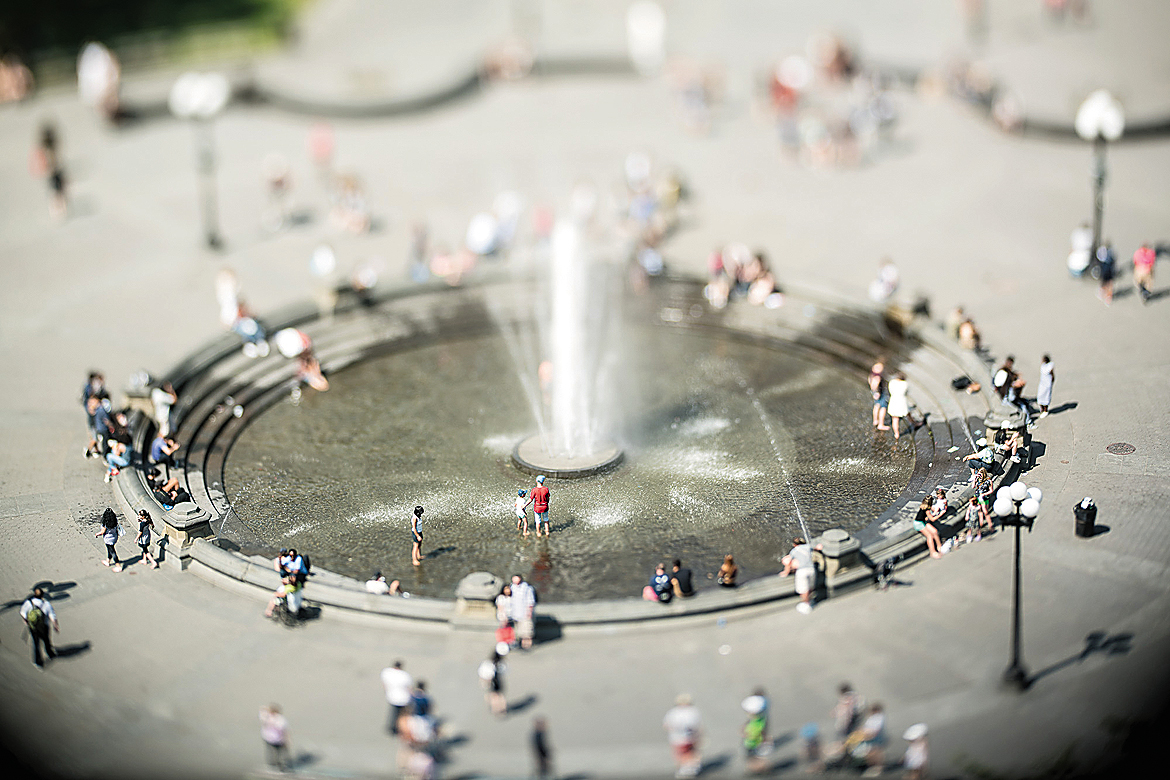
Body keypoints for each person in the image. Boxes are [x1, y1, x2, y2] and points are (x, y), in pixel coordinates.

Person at [663, 694, 702, 778]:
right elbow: (667, 725)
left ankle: (689, 767)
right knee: (683, 753)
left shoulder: (690, 711)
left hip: (686, 737)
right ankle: (686, 768)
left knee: (687, 752)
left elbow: (696, 725)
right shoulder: (676, 712)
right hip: (679, 737)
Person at [780, 536, 821, 614]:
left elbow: (788, 562)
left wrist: (785, 572)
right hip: (811, 569)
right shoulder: (808, 547)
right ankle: (810, 600)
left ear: (795, 544)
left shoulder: (794, 550)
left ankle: (806, 605)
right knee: (810, 587)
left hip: (802, 571)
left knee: (803, 589)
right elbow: (818, 547)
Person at [21, 587, 59, 668]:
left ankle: (38, 661)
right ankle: (50, 653)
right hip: (44, 626)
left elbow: (22, 612)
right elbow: (52, 615)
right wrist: (55, 625)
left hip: (33, 627)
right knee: (46, 640)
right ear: (42, 595)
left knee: (36, 643)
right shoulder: (46, 604)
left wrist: (26, 621)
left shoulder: (28, 603)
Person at [741, 690, 770, 774]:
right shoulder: (761, 718)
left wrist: (746, 734)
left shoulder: (757, 723)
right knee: (755, 756)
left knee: (754, 757)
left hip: (752, 742)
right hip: (754, 742)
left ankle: (758, 769)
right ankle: (757, 768)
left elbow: (756, 733)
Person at [381, 661, 414, 734]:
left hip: (392, 697)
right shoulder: (405, 675)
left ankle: (393, 726)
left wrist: (387, 692)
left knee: (394, 712)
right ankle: (398, 727)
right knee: (400, 714)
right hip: (404, 699)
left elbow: (385, 684)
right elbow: (409, 688)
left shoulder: (387, 672)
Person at [259, 704, 290, 772]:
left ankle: (279, 765)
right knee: (274, 752)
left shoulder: (280, 719)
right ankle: (275, 764)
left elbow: (284, 730)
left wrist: (286, 739)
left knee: (278, 753)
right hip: (270, 738)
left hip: (277, 739)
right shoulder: (268, 717)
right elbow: (262, 710)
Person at [509, 574, 536, 649]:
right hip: (515, 612)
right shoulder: (512, 587)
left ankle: (527, 645)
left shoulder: (527, 588)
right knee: (517, 629)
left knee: (526, 630)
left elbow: (530, 601)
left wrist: (529, 612)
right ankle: (518, 643)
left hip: (524, 611)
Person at [479, 651, 507, 716]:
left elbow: (483, 674)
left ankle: (498, 708)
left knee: (495, 696)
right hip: (496, 682)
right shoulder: (498, 664)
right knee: (497, 696)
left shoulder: (489, 664)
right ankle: (500, 708)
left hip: (494, 682)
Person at [887, 372, 910, 441]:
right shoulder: (905, 384)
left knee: (895, 419)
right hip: (901, 401)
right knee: (904, 414)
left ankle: (896, 433)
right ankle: (913, 423)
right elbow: (906, 392)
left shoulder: (892, 383)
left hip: (893, 401)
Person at [869, 362, 890, 430]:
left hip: (875, 393)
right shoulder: (877, 377)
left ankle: (875, 421)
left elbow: (870, 383)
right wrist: (876, 392)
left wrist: (873, 392)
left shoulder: (871, 375)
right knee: (883, 407)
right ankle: (881, 424)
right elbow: (874, 385)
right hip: (880, 393)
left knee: (876, 406)